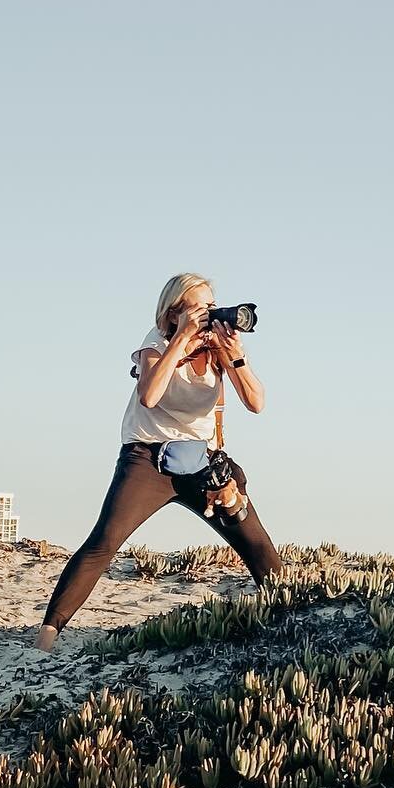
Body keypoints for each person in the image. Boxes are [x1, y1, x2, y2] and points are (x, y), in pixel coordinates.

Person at [37, 273, 282, 651]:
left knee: (257, 543)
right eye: (200, 307)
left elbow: (256, 403)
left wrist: (235, 356)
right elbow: (150, 395)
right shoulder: (154, 344)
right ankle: (47, 637)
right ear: (173, 314)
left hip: (200, 462)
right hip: (147, 461)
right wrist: (181, 340)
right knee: (104, 542)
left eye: (212, 305)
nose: (210, 314)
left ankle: (290, 614)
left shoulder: (218, 348)